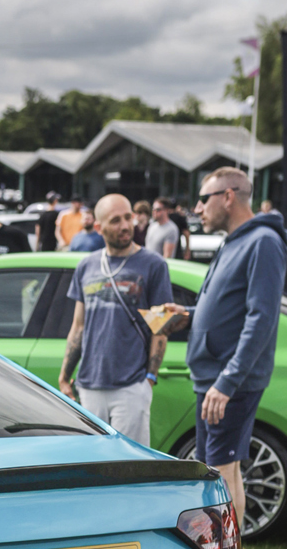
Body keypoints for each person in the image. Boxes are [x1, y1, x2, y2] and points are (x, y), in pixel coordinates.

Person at [161, 167, 287, 524]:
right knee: (223, 469)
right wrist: (189, 313)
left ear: (228, 197)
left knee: (218, 472)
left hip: (227, 380)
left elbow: (262, 318)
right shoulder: (237, 239)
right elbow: (229, 305)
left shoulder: (263, 241)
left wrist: (227, 383)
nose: (197, 209)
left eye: (203, 199)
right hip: (216, 376)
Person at [58, 193, 172, 446]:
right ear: (98, 227)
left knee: (129, 466)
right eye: (115, 220)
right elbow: (79, 326)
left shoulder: (153, 265)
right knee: (92, 463)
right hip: (89, 385)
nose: (125, 225)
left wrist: (149, 380)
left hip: (131, 386)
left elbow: (160, 327)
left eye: (128, 217)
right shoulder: (86, 266)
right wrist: (65, 375)